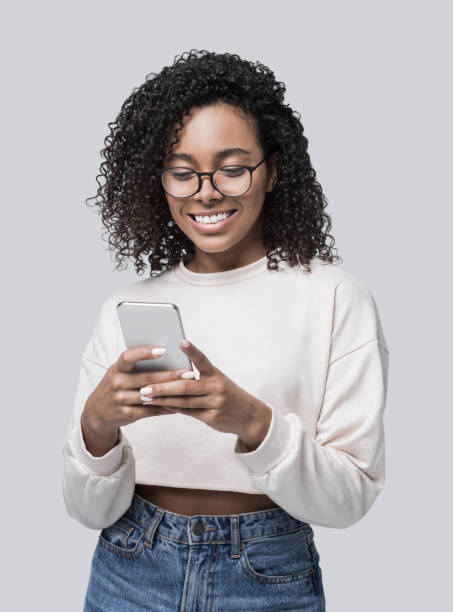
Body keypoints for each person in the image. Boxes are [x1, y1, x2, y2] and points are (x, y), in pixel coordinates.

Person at [62, 49, 389, 611]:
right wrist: (95, 428)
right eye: (183, 172)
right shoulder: (127, 306)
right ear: (159, 181)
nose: (206, 191)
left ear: (273, 170)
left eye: (233, 168)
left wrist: (252, 422)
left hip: (266, 574)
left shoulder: (336, 298)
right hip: (130, 568)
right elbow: (88, 510)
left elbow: (350, 499)